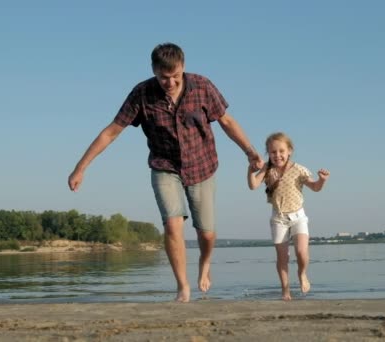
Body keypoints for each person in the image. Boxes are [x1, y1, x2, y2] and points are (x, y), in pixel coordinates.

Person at [68, 42, 263, 302]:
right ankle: (182, 287)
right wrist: (81, 167)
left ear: (183, 68)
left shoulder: (202, 86)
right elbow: (111, 132)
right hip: (164, 167)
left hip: (202, 166)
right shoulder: (142, 93)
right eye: (163, 77)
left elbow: (227, 122)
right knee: (173, 224)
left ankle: (205, 264)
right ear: (154, 70)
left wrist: (250, 152)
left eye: (175, 76)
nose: (169, 82)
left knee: (206, 232)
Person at [247, 132, 330, 301]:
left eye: (281, 151)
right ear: (268, 153)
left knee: (301, 251)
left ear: (289, 151)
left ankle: (302, 273)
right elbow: (253, 185)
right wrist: (250, 171)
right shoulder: (267, 169)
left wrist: (322, 180)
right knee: (282, 258)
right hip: (279, 219)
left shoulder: (299, 170)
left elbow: (315, 187)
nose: (277, 155)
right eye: (273, 152)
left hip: (299, 216)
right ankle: (285, 290)